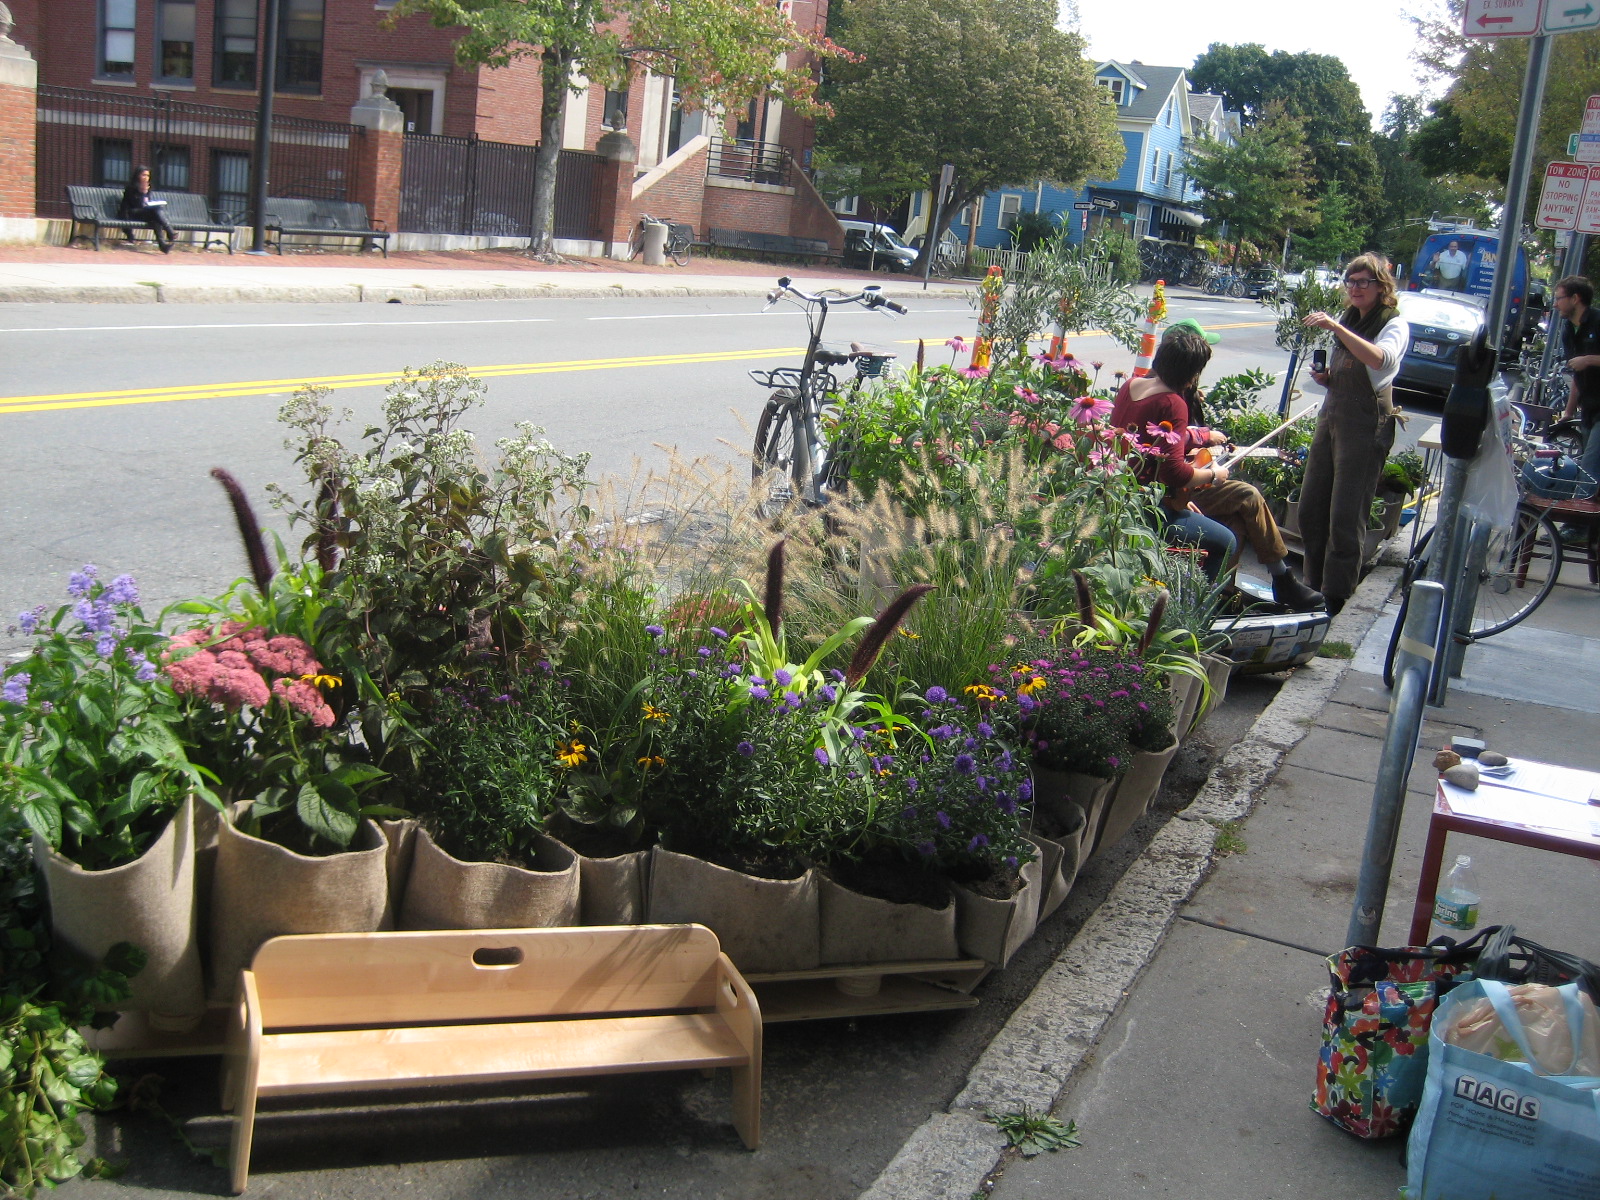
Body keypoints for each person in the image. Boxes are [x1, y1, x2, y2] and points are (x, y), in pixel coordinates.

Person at [1158, 320, 1324, 609]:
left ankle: (1222, 596)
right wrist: (1204, 443)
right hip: (1174, 490)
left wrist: (1209, 452)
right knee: (1247, 495)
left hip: (1186, 483)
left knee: (1237, 519)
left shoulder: (1184, 392)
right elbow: (1168, 446)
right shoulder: (1170, 395)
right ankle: (1281, 579)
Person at [1299, 254, 1411, 615]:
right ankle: (1311, 586)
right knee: (1311, 507)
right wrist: (1327, 378)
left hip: (1364, 424)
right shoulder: (1350, 318)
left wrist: (1336, 327)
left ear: (1381, 286)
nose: (1356, 288)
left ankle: (1335, 595)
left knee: (1346, 515)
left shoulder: (1393, 323)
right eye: (1351, 281)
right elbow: (1348, 369)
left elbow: (1381, 360)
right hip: (1333, 416)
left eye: (1364, 282)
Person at [1110, 330, 1237, 582]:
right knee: (1227, 543)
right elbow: (1174, 472)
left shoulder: (1131, 385)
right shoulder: (1172, 402)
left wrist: (1176, 497)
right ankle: (1193, 604)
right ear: (1192, 373)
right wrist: (1214, 475)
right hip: (1143, 508)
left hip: (1115, 492)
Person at [1553, 275, 1600, 491]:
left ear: (1575, 298)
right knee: (1591, 470)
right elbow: (1577, 375)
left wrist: (1589, 360)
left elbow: (1582, 364)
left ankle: (1577, 514)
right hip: (1589, 408)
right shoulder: (1567, 330)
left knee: (1589, 471)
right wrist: (1569, 412)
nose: (1555, 305)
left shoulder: (1598, 321)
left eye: (1559, 298)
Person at [119, 166, 175, 253]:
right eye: (143, 175)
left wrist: (146, 194)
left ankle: (163, 245)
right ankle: (170, 231)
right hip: (131, 213)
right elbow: (136, 205)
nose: (146, 178)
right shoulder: (130, 188)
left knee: (156, 218)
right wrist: (142, 193)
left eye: (148, 175)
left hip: (143, 212)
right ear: (138, 176)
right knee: (156, 211)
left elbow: (146, 203)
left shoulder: (148, 187)